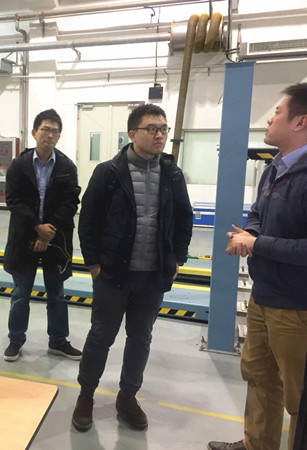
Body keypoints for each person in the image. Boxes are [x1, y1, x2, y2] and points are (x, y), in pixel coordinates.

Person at [72, 104, 192, 432]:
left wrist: (177, 259)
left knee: (140, 338)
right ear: (133, 134)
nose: (159, 135)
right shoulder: (109, 173)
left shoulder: (172, 174)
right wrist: (94, 264)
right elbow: (88, 220)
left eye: (164, 129)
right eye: (152, 128)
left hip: (152, 276)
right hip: (114, 275)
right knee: (101, 336)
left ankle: (127, 397)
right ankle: (86, 395)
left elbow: (184, 218)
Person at [208, 83, 307, 450]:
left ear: (300, 122)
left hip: (297, 308)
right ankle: (257, 445)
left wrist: (257, 244)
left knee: (300, 397)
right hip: (263, 297)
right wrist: (248, 234)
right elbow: (257, 214)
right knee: (259, 376)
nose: (269, 119)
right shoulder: (275, 168)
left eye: (277, 112)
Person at [3, 109, 82, 362]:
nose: (50, 135)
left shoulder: (67, 166)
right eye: (45, 130)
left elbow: (71, 201)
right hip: (24, 236)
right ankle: (16, 340)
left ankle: (58, 341)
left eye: (55, 131)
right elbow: (13, 200)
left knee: (57, 294)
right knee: (20, 293)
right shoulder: (20, 165)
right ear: (35, 132)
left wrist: (48, 231)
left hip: (56, 239)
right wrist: (37, 226)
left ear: (59, 136)